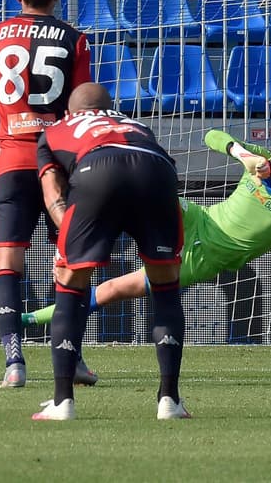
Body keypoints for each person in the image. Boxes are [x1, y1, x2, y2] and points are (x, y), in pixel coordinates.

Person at [0, 127, 271, 352]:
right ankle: (81, 219)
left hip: (208, 257)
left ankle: (24, 323)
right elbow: (212, 135)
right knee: (143, 194)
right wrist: (243, 154)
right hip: (197, 218)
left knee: (116, 289)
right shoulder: (258, 162)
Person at [30, 83, 186, 421]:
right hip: (157, 171)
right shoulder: (137, 125)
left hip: (97, 169)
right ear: (111, 107)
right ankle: (170, 400)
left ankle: (62, 402)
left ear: (71, 111)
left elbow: (52, 193)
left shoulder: (56, 129)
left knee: (71, 283)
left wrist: (69, 244)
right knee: (165, 285)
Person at [0, 0, 91, 388]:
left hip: (11, 160)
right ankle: (71, 358)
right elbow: (83, 112)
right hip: (59, 163)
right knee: (70, 261)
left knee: (8, 260)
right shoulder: (75, 41)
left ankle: (14, 363)